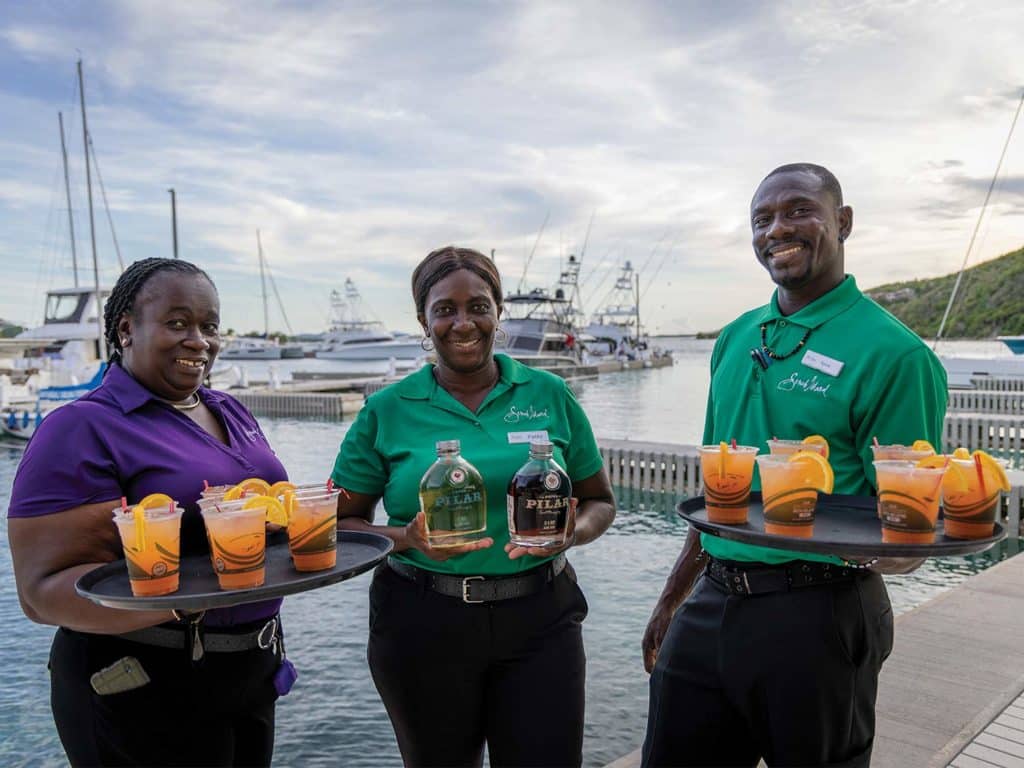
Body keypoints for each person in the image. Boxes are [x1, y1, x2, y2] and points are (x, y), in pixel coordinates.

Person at [641, 164, 948, 768]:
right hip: (711, 597)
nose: (778, 229)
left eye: (799, 210)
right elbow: (719, 492)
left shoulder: (895, 355)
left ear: (843, 221)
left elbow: (912, 529)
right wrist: (673, 595)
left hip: (819, 613)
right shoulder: (735, 337)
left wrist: (865, 551)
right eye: (763, 219)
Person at [331, 245, 616, 767]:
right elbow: (340, 525)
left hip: (541, 617)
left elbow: (599, 500)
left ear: (498, 313)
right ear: (424, 320)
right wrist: (405, 539)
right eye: (445, 309)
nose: (463, 322)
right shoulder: (386, 410)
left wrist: (573, 532)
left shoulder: (549, 393)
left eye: (479, 306)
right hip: (422, 620)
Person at [8, 257, 291, 767]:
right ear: (126, 329)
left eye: (209, 326)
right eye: (177, 323)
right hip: (141, 680)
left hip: (251, 671)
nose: (199, 341)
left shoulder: (229, 408)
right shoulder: (79, 429)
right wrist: (185, 599)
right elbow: (40, 593)